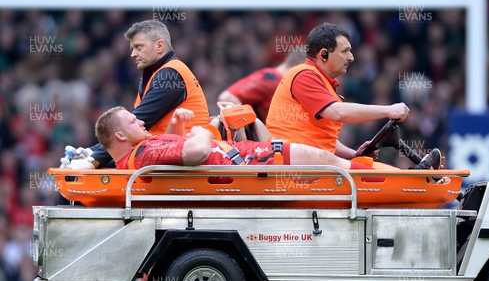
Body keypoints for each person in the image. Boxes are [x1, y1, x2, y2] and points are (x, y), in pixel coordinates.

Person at [265, 22, 440, 169]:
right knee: (375, 175)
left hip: (307, 160)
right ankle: (418, 180)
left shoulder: (320, 80)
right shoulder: (305, 75)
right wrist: (388, 110)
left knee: (371, 167)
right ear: (323, 54)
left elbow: (321, 137)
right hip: (294, 163)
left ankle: (418, 177)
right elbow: (338, 112)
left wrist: (353, 154)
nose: (351, 57)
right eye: (345, 51)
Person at [66, 20, 210, 169]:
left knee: (99, 171)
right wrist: (91, 151)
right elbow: (129, 128)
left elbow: (137, 123)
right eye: (132, 48)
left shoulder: (170, 75)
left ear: (159, 46)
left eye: (138, 47)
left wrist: (93, 160)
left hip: (184, 156)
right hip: (166, 154)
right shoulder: (157, 75)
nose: (133, 54)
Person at [94, 106, 377, 172]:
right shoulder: (142, 153)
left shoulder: (139, 155)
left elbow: (172, 153)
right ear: (119, 134)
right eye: (133, 121)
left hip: (249, 157)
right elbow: (193, 153)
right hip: (257, 161)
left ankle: (362, 163)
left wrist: (178, 126)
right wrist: (203, 130)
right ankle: (379, 176)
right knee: (338, 167)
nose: (140, 120)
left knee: (247, 117)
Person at [217, 51, 306, 121]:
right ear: (300, 66)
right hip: (264, 142)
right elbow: (227, 97)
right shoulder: (270, 79)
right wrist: (248, 131)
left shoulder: (285, 83)